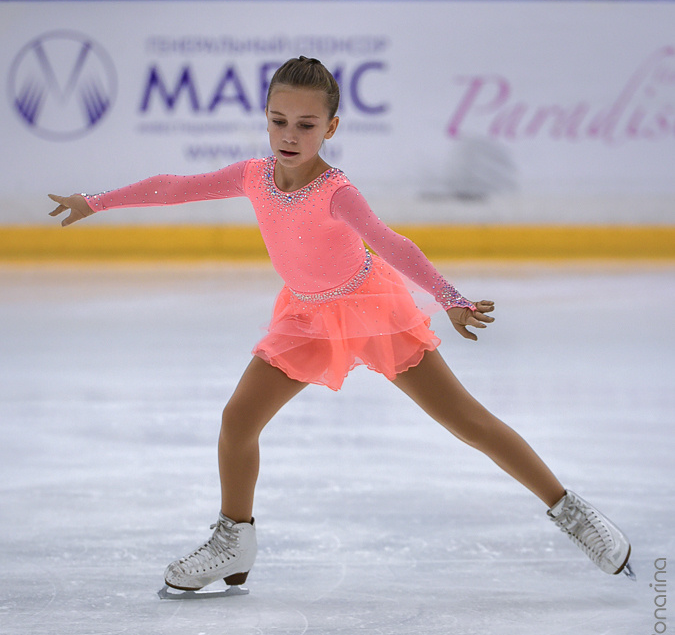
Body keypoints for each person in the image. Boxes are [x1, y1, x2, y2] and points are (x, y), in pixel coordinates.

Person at [48, 56, 634, 591]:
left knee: (468, 423)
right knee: (237, 420)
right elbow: (175, 188)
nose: (289, 136)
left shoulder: (336, 191)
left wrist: (448, 296)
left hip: (373, 310)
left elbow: (389, 242)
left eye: (306, 125)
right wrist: (95, 201)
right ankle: (234, 540)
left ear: (330, 128)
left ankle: (574, 514)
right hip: (304, 316)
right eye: (279, 121)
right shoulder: (254, 175)